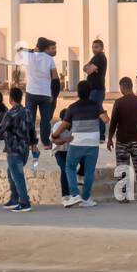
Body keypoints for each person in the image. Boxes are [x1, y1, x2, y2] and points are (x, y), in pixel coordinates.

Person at [0, 87, 37, 212]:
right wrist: (34, 143)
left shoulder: (11, 114)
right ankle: (14, 197)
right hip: (24, 149)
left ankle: (24, 202)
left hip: (14, 149)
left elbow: (0, 130)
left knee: (17, 174)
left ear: (10, 99)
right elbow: (32, 129)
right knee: (10, 172)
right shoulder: (27, 112)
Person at [53, 80, 104, 208]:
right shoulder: (96, 105)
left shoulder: (72, 107)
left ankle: (75, 195)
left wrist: (54, 135)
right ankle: (86, 199)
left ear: (78, 93)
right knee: (89, 171)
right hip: (93, 142)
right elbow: (106, 119)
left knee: (69, 167)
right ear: (90, 92)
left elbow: (64, 125)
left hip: (77, 142)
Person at [107, 76, 137, 202]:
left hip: (122, 141)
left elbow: (113, 123)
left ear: (122, 87)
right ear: (131, 86)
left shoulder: (119, 102)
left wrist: (110, 139)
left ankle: (123, 196)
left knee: (122, 169)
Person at [18, 38, 59, 152]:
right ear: (46, 48)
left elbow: (19, 50)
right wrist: (54, 95)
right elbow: (55, 77)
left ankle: (30, 141)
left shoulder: (29, 56)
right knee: (45, 120)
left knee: (30, 119)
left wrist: (32, 50)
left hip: (31, 92)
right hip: (45, 93)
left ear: (37, 46)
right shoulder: (49, 59)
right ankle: (45, 142)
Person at [83, 39, 109, 141]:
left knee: (98, 110)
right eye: (93, 47)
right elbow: (84, 68)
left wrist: (90, 67)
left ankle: (101, 135)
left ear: (102, 48)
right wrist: (90, 67)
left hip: (97, 89)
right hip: (94, 89)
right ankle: (99, 134)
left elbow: (88, 70)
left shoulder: (100, 57)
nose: (94, 49)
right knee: (97, 110)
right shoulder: (95, 57)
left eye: (96, 47)